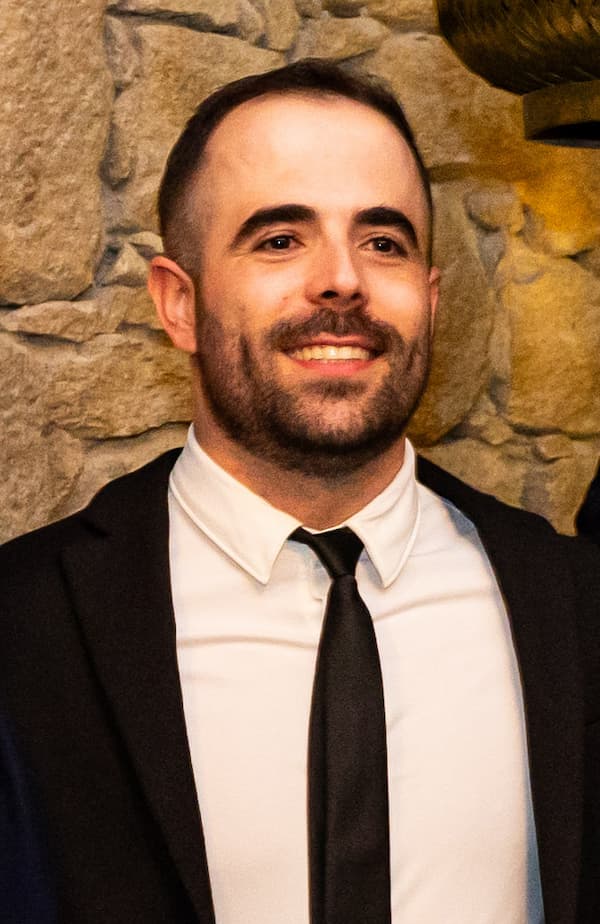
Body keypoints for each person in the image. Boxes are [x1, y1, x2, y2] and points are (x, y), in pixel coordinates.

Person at [0, 59, 599, 924]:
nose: (343, 280)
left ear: (430, 300)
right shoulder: (26, 626)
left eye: (384, 242)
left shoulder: (572, 607)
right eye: (280, 239)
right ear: (177, 303)